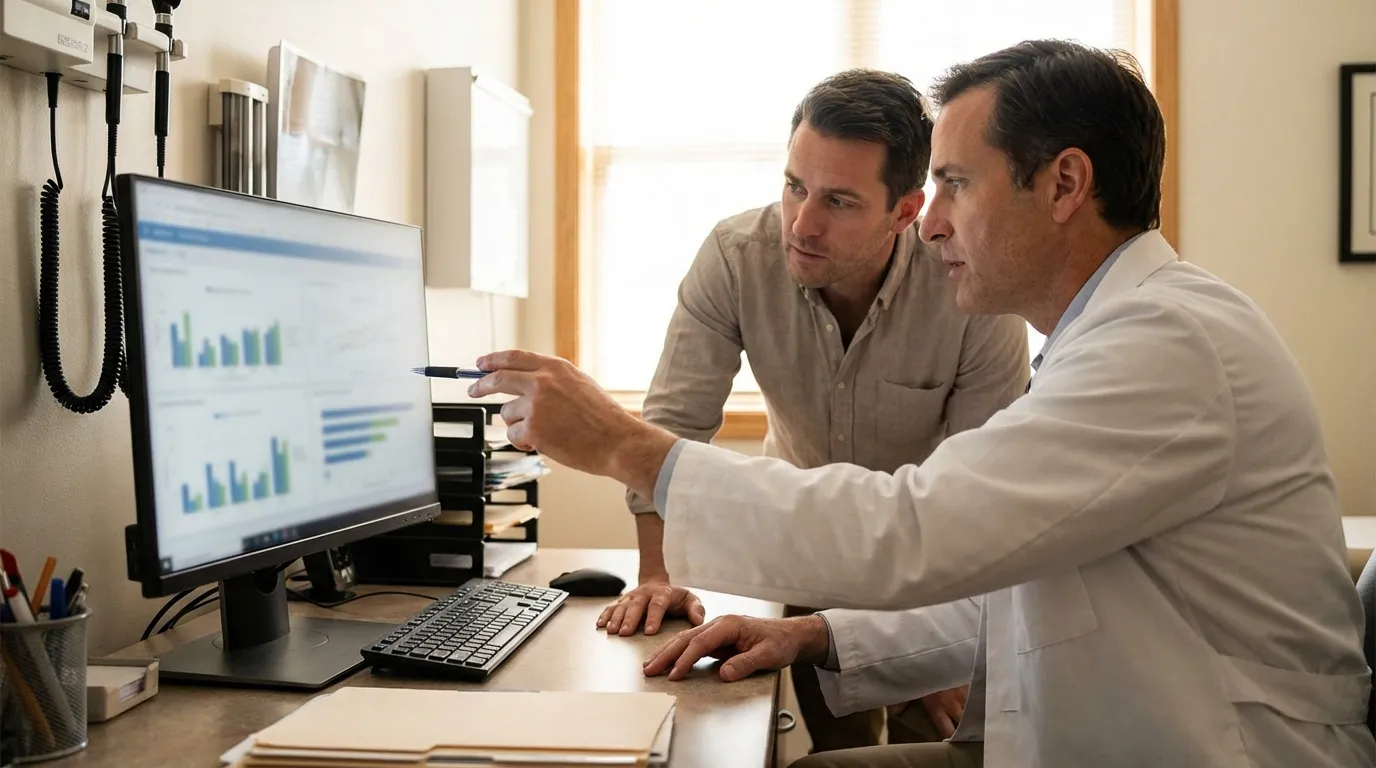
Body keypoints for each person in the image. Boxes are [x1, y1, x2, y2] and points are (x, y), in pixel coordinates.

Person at [467, 38, 1376, 768]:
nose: (932, 220)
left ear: (1065, 184)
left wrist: (629, 446)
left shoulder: (1166, 346)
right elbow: (1019, 574)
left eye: (957, 184)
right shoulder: (1115, 337)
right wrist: (818, 636)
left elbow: (922, 528)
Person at [597, 68, 1030, 753]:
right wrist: (657, 573)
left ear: (905, 210)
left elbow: (979, 493)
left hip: (938, 562)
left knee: (946, 741)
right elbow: (672, 425)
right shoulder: (736, 257)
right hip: (806, 543)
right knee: (837, 751)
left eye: (838, 201)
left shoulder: (970, 288)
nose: (802, 223)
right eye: (795, 186)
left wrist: (935, 647)